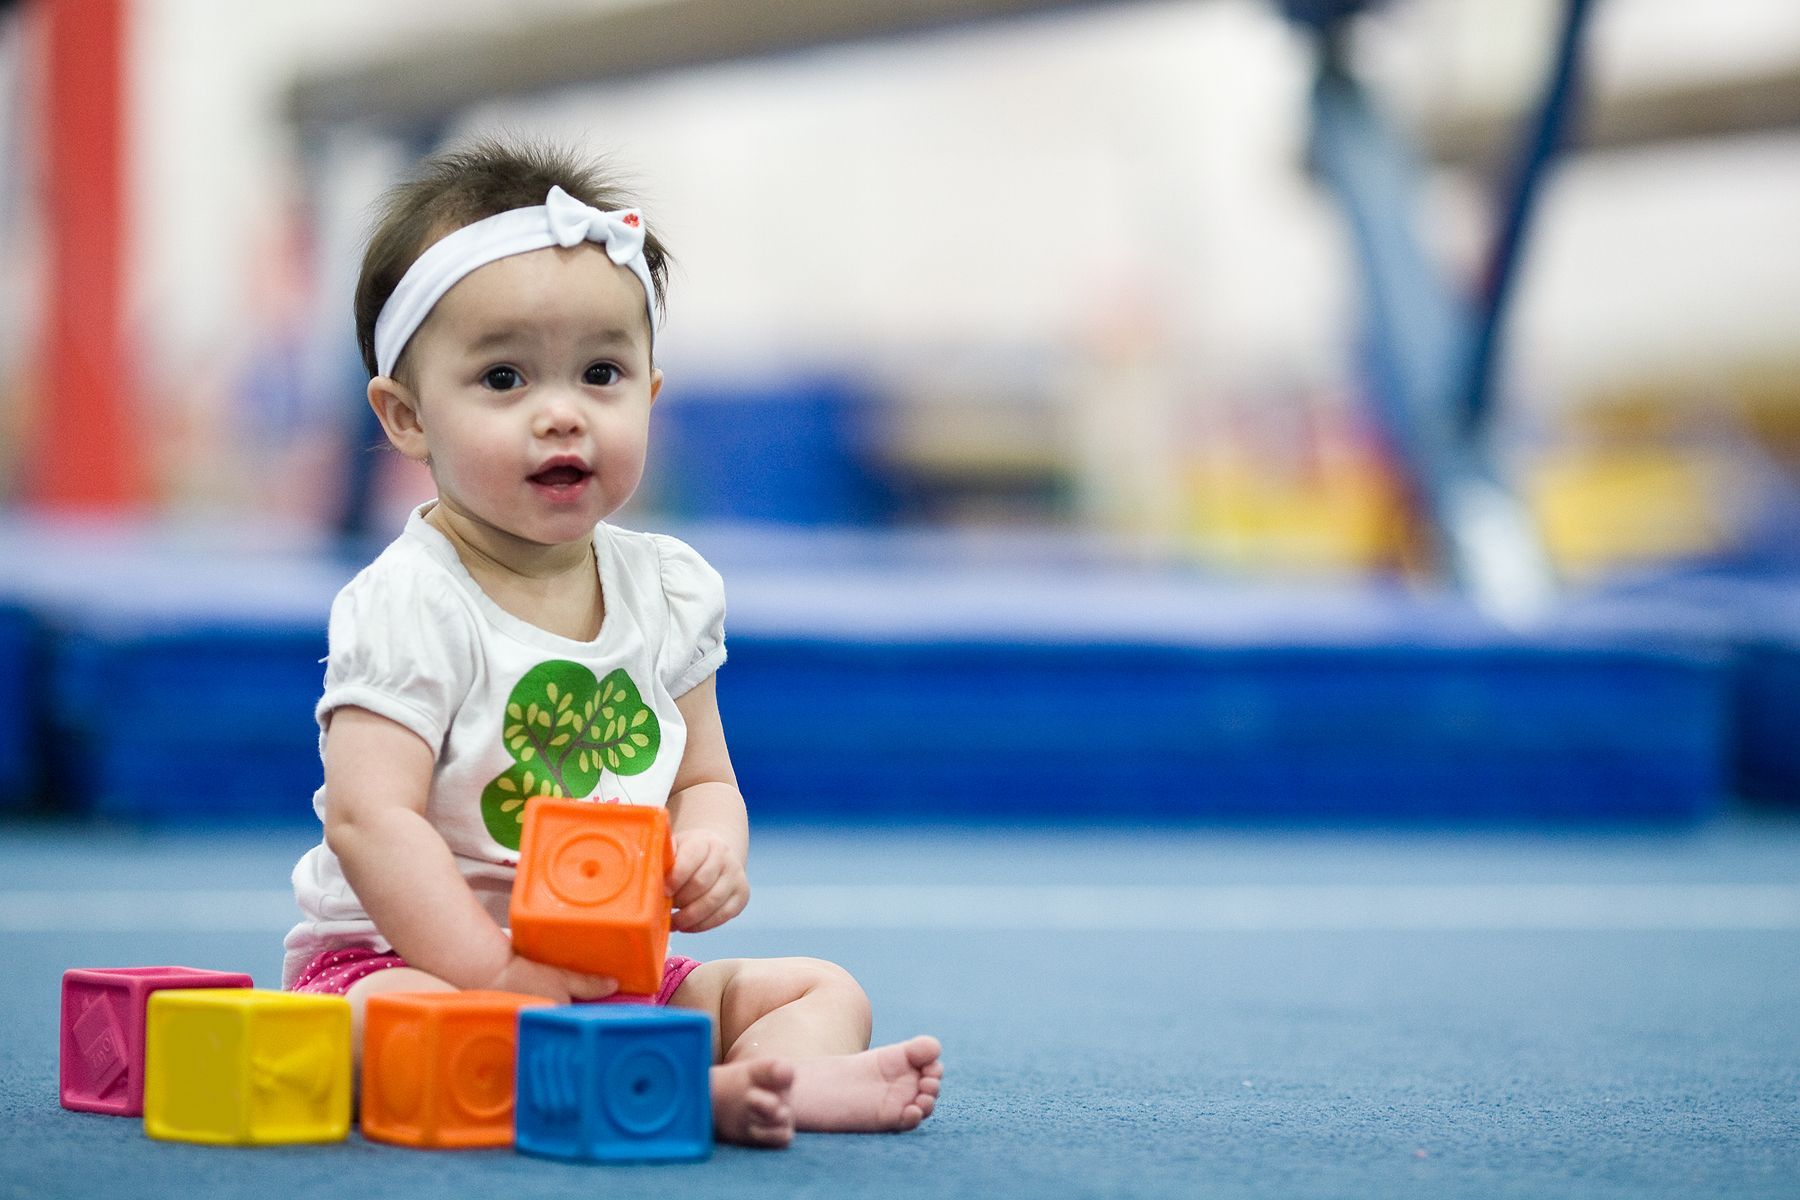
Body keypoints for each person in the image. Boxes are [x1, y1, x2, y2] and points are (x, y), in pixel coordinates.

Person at [281, 138, 942, 1148]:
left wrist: (712, 848)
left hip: (612, 970)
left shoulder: (666, 590)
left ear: (650, 395)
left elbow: (704, 780)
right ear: (406, 417)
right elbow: (373, 821)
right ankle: (669, 1088)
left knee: (821, 987)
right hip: (413, 962)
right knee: (387, 1035)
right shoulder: (409, 601)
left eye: (601, 373)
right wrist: (494, 972)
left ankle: (771, 1076)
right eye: (503, 378)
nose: (562, 414)